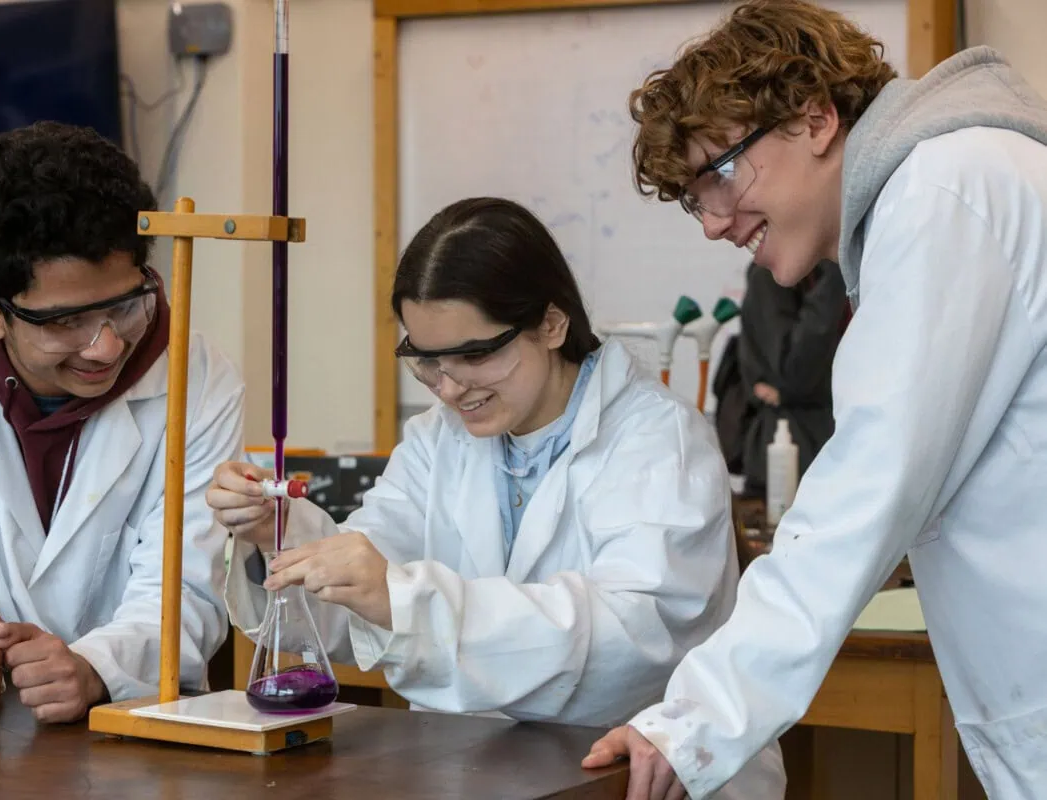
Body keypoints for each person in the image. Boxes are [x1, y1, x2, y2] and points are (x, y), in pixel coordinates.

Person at [579, 1, 1047, 797]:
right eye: (698, 197)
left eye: (720, 173)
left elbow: (867, 489)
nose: (714, 223)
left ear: (817, 118)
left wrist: (692, 720)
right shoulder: (957, 183)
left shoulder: (944, 191)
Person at [209, 197, 784, 799]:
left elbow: (634, 641)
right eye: (426, 362)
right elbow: (360, 596)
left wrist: (409, 603)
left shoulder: (658, 439)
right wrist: (276, 535)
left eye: (476, 355)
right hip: (481, 771)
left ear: (552, 324)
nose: (451, 388)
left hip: (634, 778)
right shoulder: (437, 440)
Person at [0, 121, 241, 729]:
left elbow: (188, 585)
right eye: (66, 321)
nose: (106, 346)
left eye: (125, 304)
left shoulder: (197, 376)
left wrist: (97, 667)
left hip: (133, 724)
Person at [734, 259, 847, 499]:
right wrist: (833, 283)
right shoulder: (773, 275)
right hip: (791, 450)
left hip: (832, 440)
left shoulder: (832, 274)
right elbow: (792, 371)